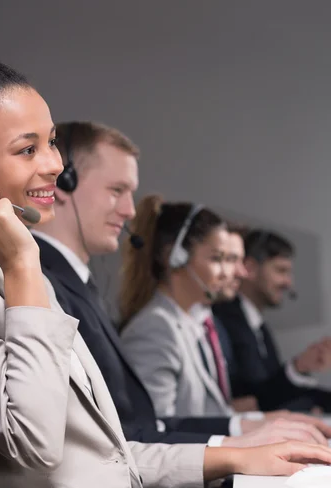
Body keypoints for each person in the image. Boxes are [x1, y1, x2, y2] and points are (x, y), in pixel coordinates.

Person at [0, 50, 331, 488]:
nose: (53, 164)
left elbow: (103, 451)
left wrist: (233, 454)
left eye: (51, 142)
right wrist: (25, 266)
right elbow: (36, 441)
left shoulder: (6, 269)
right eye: (28, 149)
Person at [33, 121, 330, 449]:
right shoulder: (49, 287)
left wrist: (251, 425)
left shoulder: (84, 286)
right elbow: (139, 435)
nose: (130, 210)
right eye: (117, 190)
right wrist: (239, 444)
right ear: (64, 180)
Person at [214, 229, 331, 411]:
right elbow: (250, 399)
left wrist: (303, 367)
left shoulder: (258, 326)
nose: (288, 283)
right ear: (250, 268)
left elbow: (271, 391)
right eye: (280, 270)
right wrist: (298, 367)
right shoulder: (223, 320)